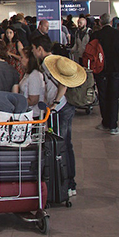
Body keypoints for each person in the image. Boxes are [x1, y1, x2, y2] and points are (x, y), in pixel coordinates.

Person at [32, 34, 79, 197]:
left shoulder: (48, 63)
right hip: (65, 107)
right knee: (66, 145)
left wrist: (55, 103)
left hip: (60, 108)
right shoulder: (55, 59)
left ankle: (67, 184)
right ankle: (69, 183)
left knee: (61, 146)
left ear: (39, 48)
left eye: (33, 49)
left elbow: (63, 83)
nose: (32, 52)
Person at [91, 13, 119, 135]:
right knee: (113, 97)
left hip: (101, 70)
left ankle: (105, 122)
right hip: (116, 70)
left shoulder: (96, 35)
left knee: (103, 96)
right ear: (111, 22)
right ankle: (113, 125)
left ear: (100, 23)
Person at [15, 47, 45, 118]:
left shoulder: (34, 75)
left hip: (33, 114)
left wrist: (17, 102)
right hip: (26, 112)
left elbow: (33, 100)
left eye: (22, 57)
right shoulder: (28, 73)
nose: (20, 59)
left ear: (28, 60)